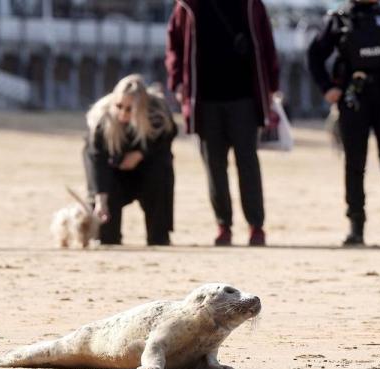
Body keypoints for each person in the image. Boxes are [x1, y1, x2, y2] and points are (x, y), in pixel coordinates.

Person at [165, 0, 279, 247]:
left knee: (247, 163)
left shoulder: (251, 3)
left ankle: (256, 226)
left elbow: (267, 43)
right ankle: (223, 225)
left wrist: (272, 86)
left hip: (245, 98)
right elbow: (174, 44)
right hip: (204, 100)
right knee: (214, 167)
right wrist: (177, 82)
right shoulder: (187, 5)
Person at [308, 0, 380, 247]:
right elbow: (314, 55)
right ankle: (356, 227)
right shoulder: (339, 18)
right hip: (354, 98)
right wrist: (327, 88)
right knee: (354, 163)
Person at [83, 74, 178, 246]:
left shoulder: (157, 113)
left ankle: (159, 235)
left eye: (129, 109)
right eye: (119, 106)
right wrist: (100, 201)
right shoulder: (101, 119)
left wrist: (140, 154)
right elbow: (96, 161)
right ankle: (107, 234)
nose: (123, 113)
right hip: (114, 175)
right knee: (106, 236)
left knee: (161, 170)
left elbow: (165, 140)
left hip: (148, 173)